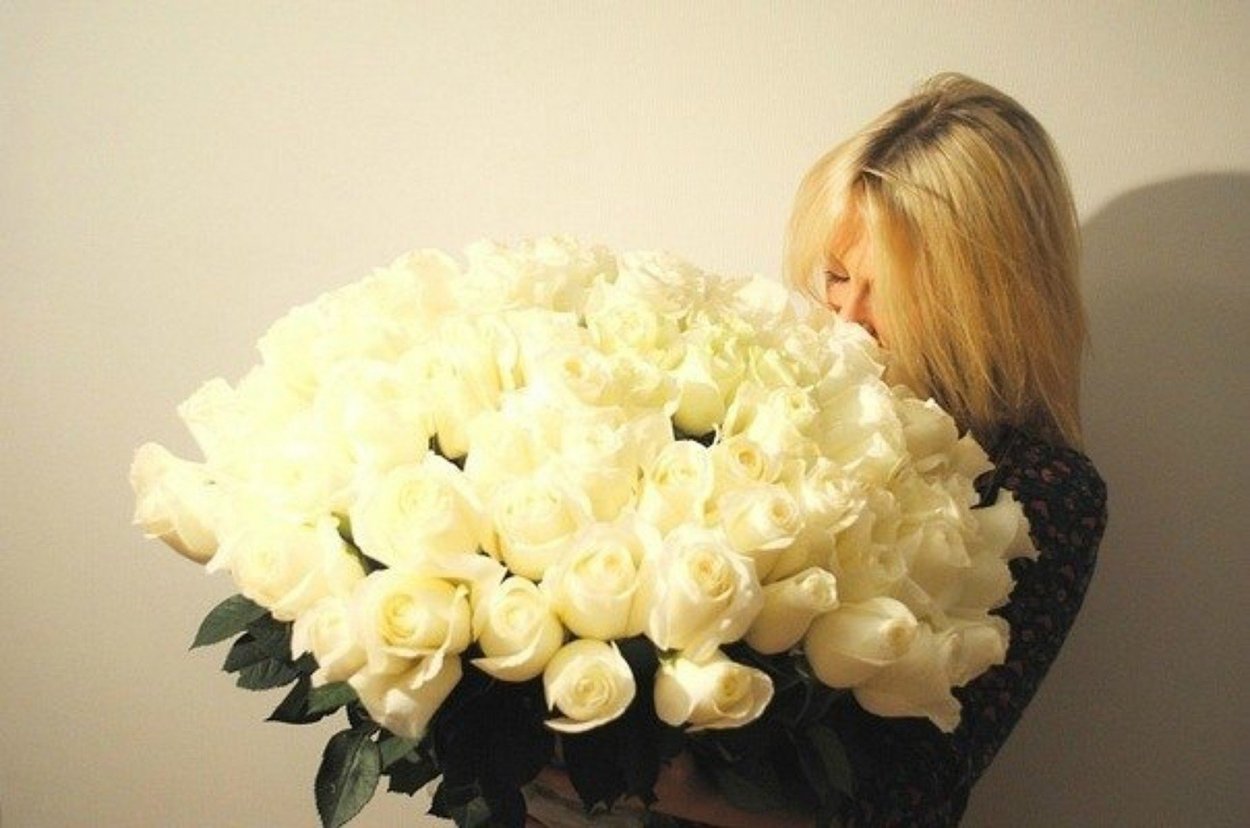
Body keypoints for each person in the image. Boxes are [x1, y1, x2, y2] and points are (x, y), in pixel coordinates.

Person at [532, 72, 1107, 827]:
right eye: (836, 276)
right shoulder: (779, 382)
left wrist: (688, 795)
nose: (846, 316)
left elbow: (916, 799)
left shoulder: (1042, 491)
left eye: (891, 292)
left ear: (987, 300)